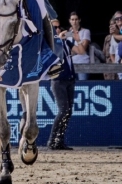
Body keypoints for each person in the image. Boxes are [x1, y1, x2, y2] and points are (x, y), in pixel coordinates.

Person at [48, 18, 76, 150]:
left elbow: (79, 48)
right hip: (58, 80)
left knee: (68, 111)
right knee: (63, 110)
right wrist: (59, 38)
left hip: (69, 78)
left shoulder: (65, 41)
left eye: (59, 27)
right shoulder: (50, 42)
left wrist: (71, 33)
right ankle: (52, 140)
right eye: (55, 28)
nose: (58, 29)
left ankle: (60, 140)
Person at [61, 11, 91, 81]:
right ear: (69, 21)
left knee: (82, 84)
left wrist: (75, 48)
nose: (74, 22)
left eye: (76, 19)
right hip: (71, 64)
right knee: (72, 85)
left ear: (79, 20)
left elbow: (83, 50)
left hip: (82, 63)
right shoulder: (68, 33)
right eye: (72, 19)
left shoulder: (85, 31)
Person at [101, 12, 122, 81]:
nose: (119, 20)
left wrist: (115, 35)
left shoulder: (115, 34)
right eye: (117, 19)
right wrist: (116, 66)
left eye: (121, 18)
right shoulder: (111, 37)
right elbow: (111, 53)